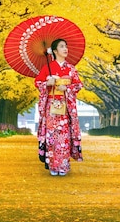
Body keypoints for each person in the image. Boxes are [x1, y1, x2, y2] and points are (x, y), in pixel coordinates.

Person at [35, 38, 83, 176]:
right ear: (55, 51)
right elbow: (38, 83)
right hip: (51, 105)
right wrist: (47, 83)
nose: (65, 49)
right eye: (62, 46)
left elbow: (78, 85)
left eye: (66, 46)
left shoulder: (71, 69)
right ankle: (52, 165)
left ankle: (63, 165)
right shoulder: (47, 68)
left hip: (65, 105)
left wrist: (66, 88)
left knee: (64, 136)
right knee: (51, 135)